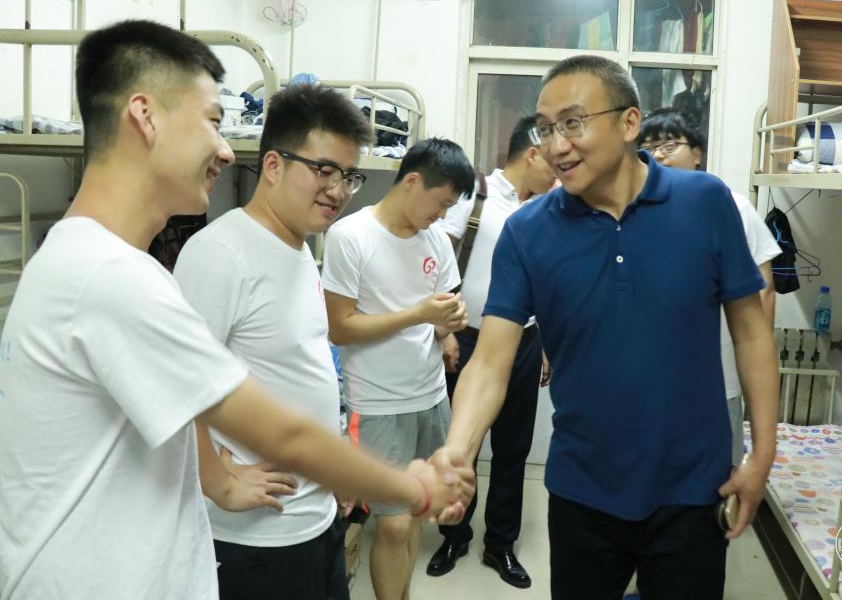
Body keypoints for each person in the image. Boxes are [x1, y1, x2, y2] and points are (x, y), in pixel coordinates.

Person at [0, 20, 471, 600]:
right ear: (145, 117)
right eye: (212, 121)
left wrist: (333, 472)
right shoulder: (116, 276)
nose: (226, 150)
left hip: (260, 531)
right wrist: (411, 487)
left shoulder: (100, 262)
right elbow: (281, 433)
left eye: (347, 176)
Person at [431, 54, 780, 600]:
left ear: (629, 122)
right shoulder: (528, 232)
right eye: (546, 128)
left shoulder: (705, 202)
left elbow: (752, 332)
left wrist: (762, 455)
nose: (556, 145)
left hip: (692, 488)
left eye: (573, 122)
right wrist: (458, 450)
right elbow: (492, 362)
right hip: (582, 489)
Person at [173, 81, 373, 600]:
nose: (339, 190)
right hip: (256, 540)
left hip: (315, 518)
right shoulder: (221, 254)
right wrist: (217, 480)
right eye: (324, 170)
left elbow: (298, 370)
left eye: (349, 176)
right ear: (274, 165)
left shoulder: (299, 248)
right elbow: (177, 384)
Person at [323, 137, 475, 600]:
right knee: (391, 525)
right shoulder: (350, 236)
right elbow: (340, 329)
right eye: (440, 202)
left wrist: (449, 325)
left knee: (416, 513)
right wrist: (418, 315)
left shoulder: (436, 241)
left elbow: (439, 315)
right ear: (411, 182)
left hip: (430, 396)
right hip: (377, 403)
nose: (442, 215)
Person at [426, 116, 556, 588]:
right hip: (468, 337)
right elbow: (439, 258)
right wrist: (443, 331)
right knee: (463, 441)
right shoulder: (476, 194)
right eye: (552, 160)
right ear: (532, 154)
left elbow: (548, 281)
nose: (559, 172)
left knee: (513, 447)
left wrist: (546, 343)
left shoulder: (549, 209)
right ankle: (454, 535)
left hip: (526, 338)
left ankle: (500, 543)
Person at [638, 107, 781, 466]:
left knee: (716, 475)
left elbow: (764, 289)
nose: (658, 156)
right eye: (649, 147)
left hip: (719, 376)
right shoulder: (634, 211)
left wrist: (755, 365)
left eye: (669, 145)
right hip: (647, 378)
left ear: (697, 153)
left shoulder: (731, 207)